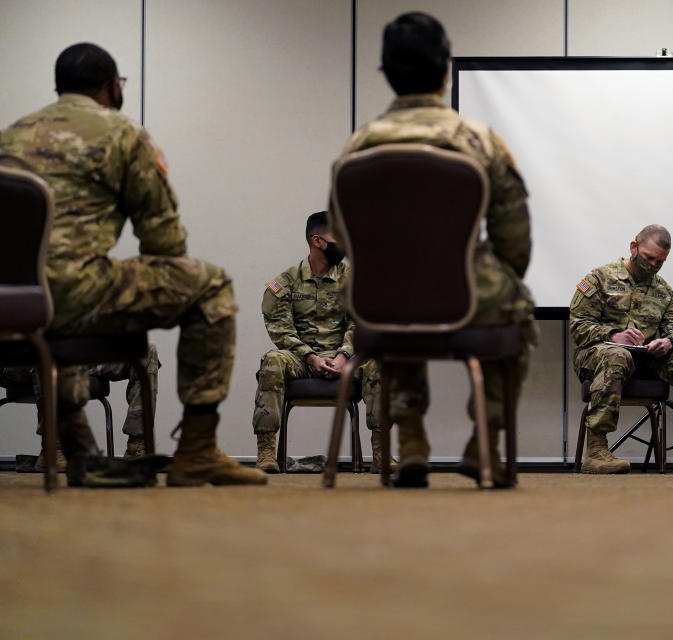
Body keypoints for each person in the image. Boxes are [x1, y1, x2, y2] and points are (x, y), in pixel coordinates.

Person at [0, 42, 266, 487]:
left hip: (14, 303)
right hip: (74, 295)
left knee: (66, 310)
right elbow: (163, 242)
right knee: (211, 285)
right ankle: (197, 450)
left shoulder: (10, 137)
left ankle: (80, 451)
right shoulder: (122, 133)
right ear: (110, 88)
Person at [333, 11, 537, 488]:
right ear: (447, 69)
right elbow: (515, 242)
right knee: (518, 306)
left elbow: (343, 231)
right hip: (467, 298)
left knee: (401, 305)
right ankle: (482, 443)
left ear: (385, 71)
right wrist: (491, 277)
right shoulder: (480, 142)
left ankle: (411, 445)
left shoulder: (356, 147)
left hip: (378, 302)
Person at [570, 225, 673, 474]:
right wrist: (612, 335)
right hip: (599, 355)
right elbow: (578, 327)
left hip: (645, 359)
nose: (653, 265)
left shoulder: (664, 291)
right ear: (633, 247)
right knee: (618, 354)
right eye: (648, 258)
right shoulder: (599, 279)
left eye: (660, 261)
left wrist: (669, 342)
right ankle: (596, 450)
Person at [253, 211, 385, 473]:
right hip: (302, 359)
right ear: (318, 241)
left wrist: (343, 356)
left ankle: (382, 452)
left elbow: (359, 323)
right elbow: (280, 330)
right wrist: (310, 356)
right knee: (272, 361)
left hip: (345, 358)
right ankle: (266, 452)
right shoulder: (286, 283)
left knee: (378, 362)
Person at [0, 343, 160, 468]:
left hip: (78, 349)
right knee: (51, 349)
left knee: (146, 351)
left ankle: (137, 447)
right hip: (25, 352)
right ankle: (55, 448)